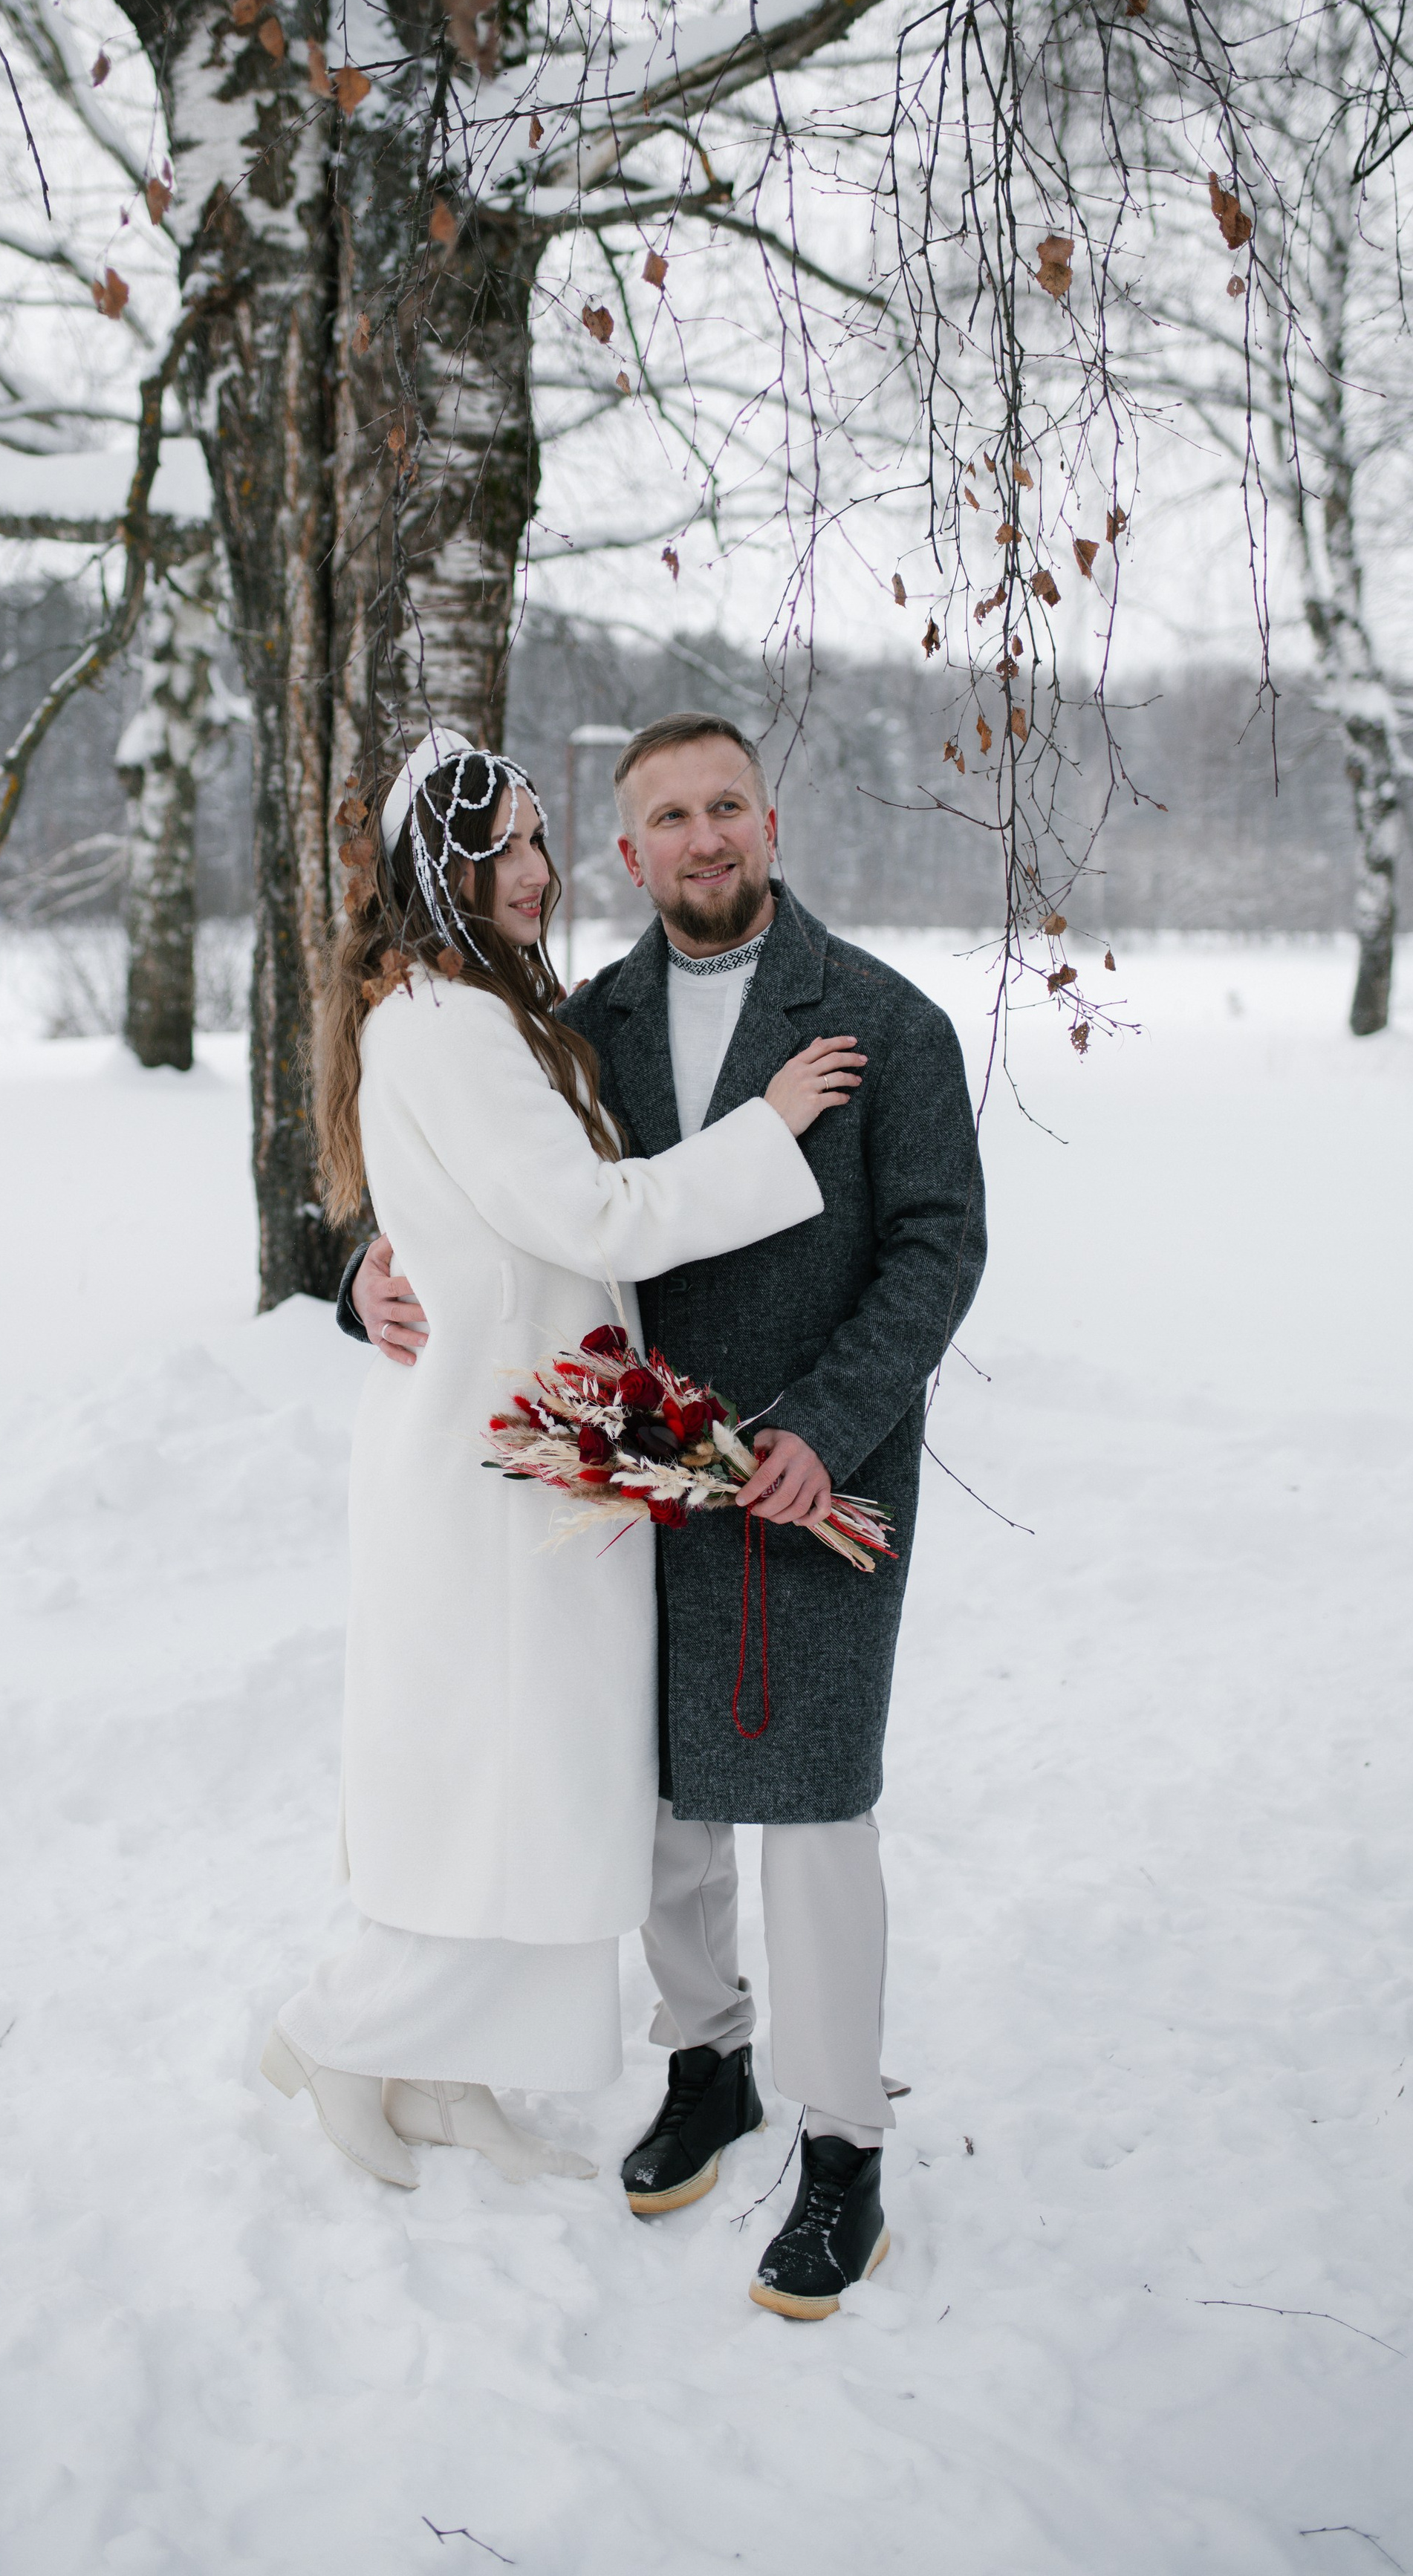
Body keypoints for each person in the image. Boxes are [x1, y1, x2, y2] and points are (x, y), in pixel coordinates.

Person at [345, 712, 986, 2315]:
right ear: (627, 856)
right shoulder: (581, 1021)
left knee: (815, 1816)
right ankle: (707, 2064)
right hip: (631, 1473)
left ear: (767, 820)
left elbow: (934, 1251)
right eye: (660, 820)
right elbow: (475, 1177)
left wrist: (823, 1435)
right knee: (664, 1805)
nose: (698, 838)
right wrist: (351, 1268)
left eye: (724, 807)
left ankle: (843, 2152)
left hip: (813, 1477)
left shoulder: (882, 1023)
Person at [264, 729, 866, 2195]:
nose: (530, 875)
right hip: (491, 1465)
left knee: (534, 1783)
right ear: (435, 870)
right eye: (497, 852)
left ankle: (452, 2073)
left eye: (536, 842)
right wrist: (770, 1128)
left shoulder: (487, 1009)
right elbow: (591, 1221)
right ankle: (346, 2041)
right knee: (486, 1776)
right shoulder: (443, 1021)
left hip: (558, 1449)